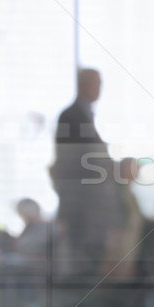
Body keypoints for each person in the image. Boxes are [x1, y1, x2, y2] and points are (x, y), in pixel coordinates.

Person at [49, 67, 117, 276]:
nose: (100, 89)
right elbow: (74, 161)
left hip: (85, 201)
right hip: (79, 201)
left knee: (86, 254)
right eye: (96, 83)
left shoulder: (84, 114)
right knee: (79, 256)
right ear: (83, 85)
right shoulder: (72, 115)